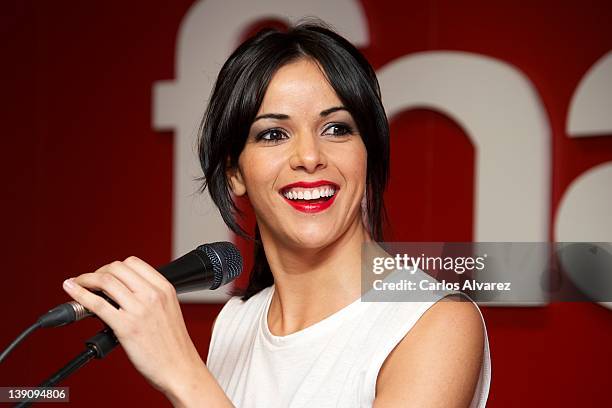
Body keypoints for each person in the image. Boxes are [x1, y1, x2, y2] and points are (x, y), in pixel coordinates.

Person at [62, 21, 490, 407]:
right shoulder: (236, 325)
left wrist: (182, 374)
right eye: (273, 134)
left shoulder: (434, 323)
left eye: (337, 128)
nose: (308, 156)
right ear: (234, 172)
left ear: (369, 154)